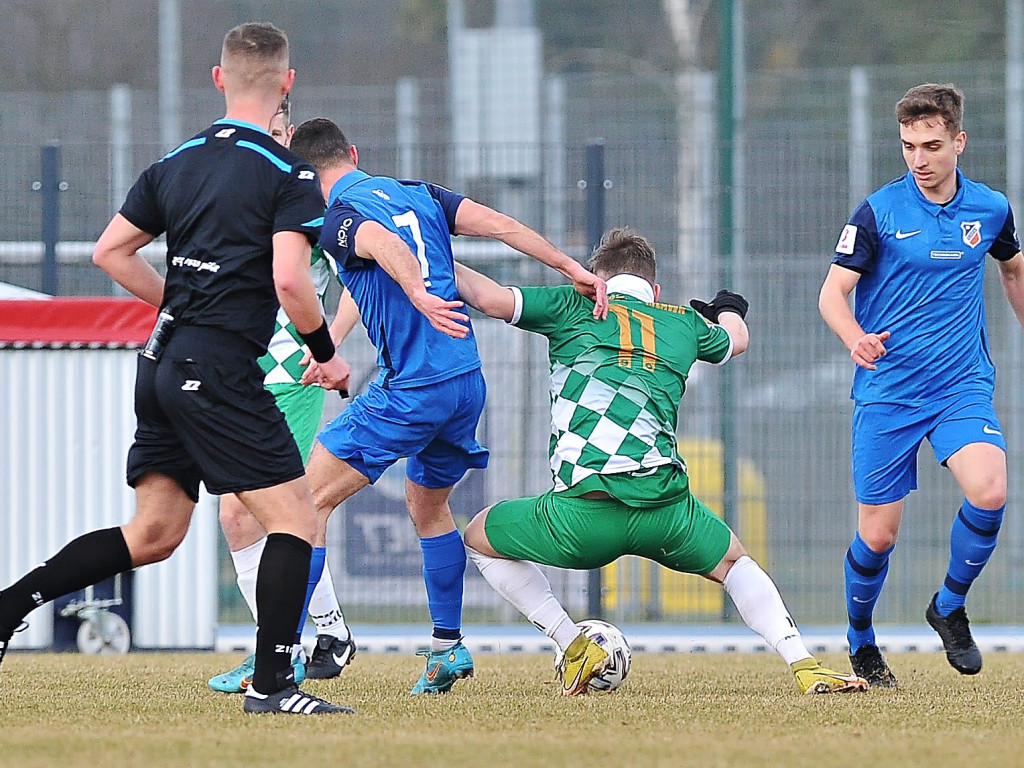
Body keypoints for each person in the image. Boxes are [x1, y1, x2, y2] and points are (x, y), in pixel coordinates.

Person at [0, 23, 356, 716]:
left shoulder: (178, 160)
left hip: (161, 360)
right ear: (287, 83)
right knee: (295, 522)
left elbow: (110, 252)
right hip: (218, 365)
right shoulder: (290, 175)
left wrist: (183, 303)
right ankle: (273, 686)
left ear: (219, 80)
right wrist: (326, 354)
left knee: (154, 533)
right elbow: (291, 279)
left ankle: (9, 605)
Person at [455, 227, 868, 696]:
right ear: (655, 291)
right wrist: (726, 307)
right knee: (735, 563)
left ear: (595, 280)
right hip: (667, 513)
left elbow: (484, 297)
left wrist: (425, 253)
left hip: (582, 518)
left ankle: (572, 644)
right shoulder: (681, 323)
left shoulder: (572, 306)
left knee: (478, 537)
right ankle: (805, 665)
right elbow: (737, 339)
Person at [292, 117, 608, 694]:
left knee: (302, 505)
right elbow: (501, 225)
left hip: (412, 388)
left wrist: (416, 291)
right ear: (354, 153)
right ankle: (447, 649)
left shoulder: (337, 217)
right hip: (466, 383)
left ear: (303, 176)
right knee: (428, 507)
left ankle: (281, 657)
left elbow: (380, 248)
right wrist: (572, 269)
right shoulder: (420, 195)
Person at [819, 83, 1024, 688]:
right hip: (888, 392)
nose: (919, 158)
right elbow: (832, 294)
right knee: (878, 535)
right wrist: (855, 337)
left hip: (961, 385)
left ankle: (949, 606)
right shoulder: (878, 212)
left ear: (959, 141)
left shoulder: (990, 209)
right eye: (909, 146)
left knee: (990, 491)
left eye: (932, 145)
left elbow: (1013, 267)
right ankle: (860, 639)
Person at [207, 95, 357, 696]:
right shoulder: (239, 189)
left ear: (288, 132)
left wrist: (325, 351)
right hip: (239, 374)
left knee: (254, 512)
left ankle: (285, 648)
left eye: (274, 129)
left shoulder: (306, 200)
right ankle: (322, 631)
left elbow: (357, 281)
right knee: (245, 517)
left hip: (290, 377)